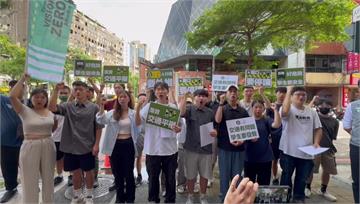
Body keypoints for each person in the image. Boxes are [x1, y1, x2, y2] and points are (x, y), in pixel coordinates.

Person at [49, 81, 104, 204]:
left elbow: (99, 127)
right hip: (70, 147)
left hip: (87, 146)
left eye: (80, 89)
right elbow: (52, 108)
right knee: (75, 172)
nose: (77, 92)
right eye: (75, 90)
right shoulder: (67, 106)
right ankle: (77, 195)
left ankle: (89, 196)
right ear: (73, 92)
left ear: (86, 92)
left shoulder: (94, 107)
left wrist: (96, 145)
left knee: (88, 172)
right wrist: (55, 90)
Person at [9, 73, 56, 203]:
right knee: (29, 180)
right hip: (30, 145)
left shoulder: (50, 112)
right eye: (36, 97)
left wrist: (56, 89)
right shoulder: (24, 110)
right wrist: (23, 78)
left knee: (48, 179)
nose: (39, 99)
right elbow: (12, 96)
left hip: (48, 144)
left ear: (46, 99)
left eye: (42, 97)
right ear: (31, 98)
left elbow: (53, 125)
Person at [135, 82, 181, 203]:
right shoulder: (150, 107)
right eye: (158, 90)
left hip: (170, 150)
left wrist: (178, 129)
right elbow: (138, 122)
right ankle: (154, 200)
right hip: (152, 149)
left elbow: (179, 126)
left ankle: (170, 200)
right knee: (153, 178)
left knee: (171, 179)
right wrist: (138, 107)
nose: (160, 92)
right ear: (154, 93)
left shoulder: (173, 108)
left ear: (167, 91)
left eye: (163, 89)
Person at [279, 86, 322, 203]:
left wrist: (317, 142)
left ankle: (298, 198)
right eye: (298, 94)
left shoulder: (312, 112)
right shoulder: (288, 108)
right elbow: (285, 112)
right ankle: (284, 198)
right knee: (286, 176)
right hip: (288, 151)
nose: (301, 97)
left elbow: (318, 129)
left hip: (307, 152)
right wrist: (288, 90)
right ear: (291, 97)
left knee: (302, 179)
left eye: (304, 95)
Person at [96, 89, 139, 203]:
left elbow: (141, 124)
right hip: (115, 146)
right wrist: (101, 106)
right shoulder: (112, 113)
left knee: (129, 173)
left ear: (129, 99)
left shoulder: (133, 113)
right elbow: (100, 120)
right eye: (120, 97)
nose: (122, 99)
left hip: (128, 145)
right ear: (117, 99)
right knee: (117, 173)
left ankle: (130, 198)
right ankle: (120, 198)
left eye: (125, 96)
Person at [179, 89, 217, 204]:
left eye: (204, 96)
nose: (201, 98)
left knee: (204, 175)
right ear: (195, 98)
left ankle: (203, 196)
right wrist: (184, 98)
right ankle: (190, 196)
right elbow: (181, 113)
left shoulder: (210, 112)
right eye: (199, 96)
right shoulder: (190, 109)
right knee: (191, 175)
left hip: (206, 149)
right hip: (191, 148)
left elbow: (214, 128)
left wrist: (215, 132)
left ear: (207, 99)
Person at [215, 84, 249, 202]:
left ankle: (237, 200)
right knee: (224, 177)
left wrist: (242, 140)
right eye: (230, 92)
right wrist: (220, 103)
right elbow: (217, 120)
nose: (233, 94)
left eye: (235, 92)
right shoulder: (222, 109)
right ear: (226, 94)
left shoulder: (243, 111)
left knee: (237, 177)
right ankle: (224, 200)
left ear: (238, 94)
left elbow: (247, 130)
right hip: (224, 148)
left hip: (239, 150)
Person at [305, 99, 339, 202]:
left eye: (327, 104)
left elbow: (333, 136)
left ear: (331, 107)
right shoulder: (314, 117)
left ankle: (323, 190)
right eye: (322, 104)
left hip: (328, 149)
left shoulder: (335, 121)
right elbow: (307, 111)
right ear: (318, 106)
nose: (325, 106)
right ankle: (307, 187)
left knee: (328, 170)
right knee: (310, 168)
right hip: (314, 148)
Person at [244, 100, 281, 185]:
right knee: (249, 184)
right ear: (252, 108)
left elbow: (277, 124)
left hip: (265, 158)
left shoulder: (266, 120)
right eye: (256, 107)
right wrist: (249, 138)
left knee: (264, 184)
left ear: (263, 108)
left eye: (260, 107)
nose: (258, 109)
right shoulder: (246, 121)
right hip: (249, 157)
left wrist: (275, 110)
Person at [0, 80, 23, 203]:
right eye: (15, 87)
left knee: (28, 166)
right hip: (6, 141)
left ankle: (32, 185)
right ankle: (11, 189)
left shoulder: (29, 103)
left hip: (25, 142)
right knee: (8, 167)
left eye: (21, 88)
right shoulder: (3, 100)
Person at [265, 87, 287, 185]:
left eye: (284, 92)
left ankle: (285, 177)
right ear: (276, 93)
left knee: (286, 160)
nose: (282, 94)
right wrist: (262, 94)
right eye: (280, 92)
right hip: (274, 138)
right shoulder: (272, 106)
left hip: (286, 138)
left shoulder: (289, 107)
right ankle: (274, 177)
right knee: (274, 159)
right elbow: (268, 108)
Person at [343, 82, 360, 204]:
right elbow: (346, 126)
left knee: (358, 179)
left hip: (356, 145)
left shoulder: (352, 106)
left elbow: (347, 126)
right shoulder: (352, 106)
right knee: (358, 179)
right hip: (356, 147)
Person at [52, 85, 71, 186]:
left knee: (70, 158)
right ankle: (59, 175)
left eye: (65, 93)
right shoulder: (54, 107)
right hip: (56, 137)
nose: (63, 95)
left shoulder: (73, 107)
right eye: (61, 93)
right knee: (58, 158)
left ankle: (71, 175)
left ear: (70, 94)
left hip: (70, 139)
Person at [135, 93, 147, 186]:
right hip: (139, 136)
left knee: (150, 157)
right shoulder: (135, 111)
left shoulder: (150, 110)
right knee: (138, 157)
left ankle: (151, 176)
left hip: (149, 136)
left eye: (144, 99)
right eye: (140, 99)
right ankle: (139, 175)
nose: (142, 101)